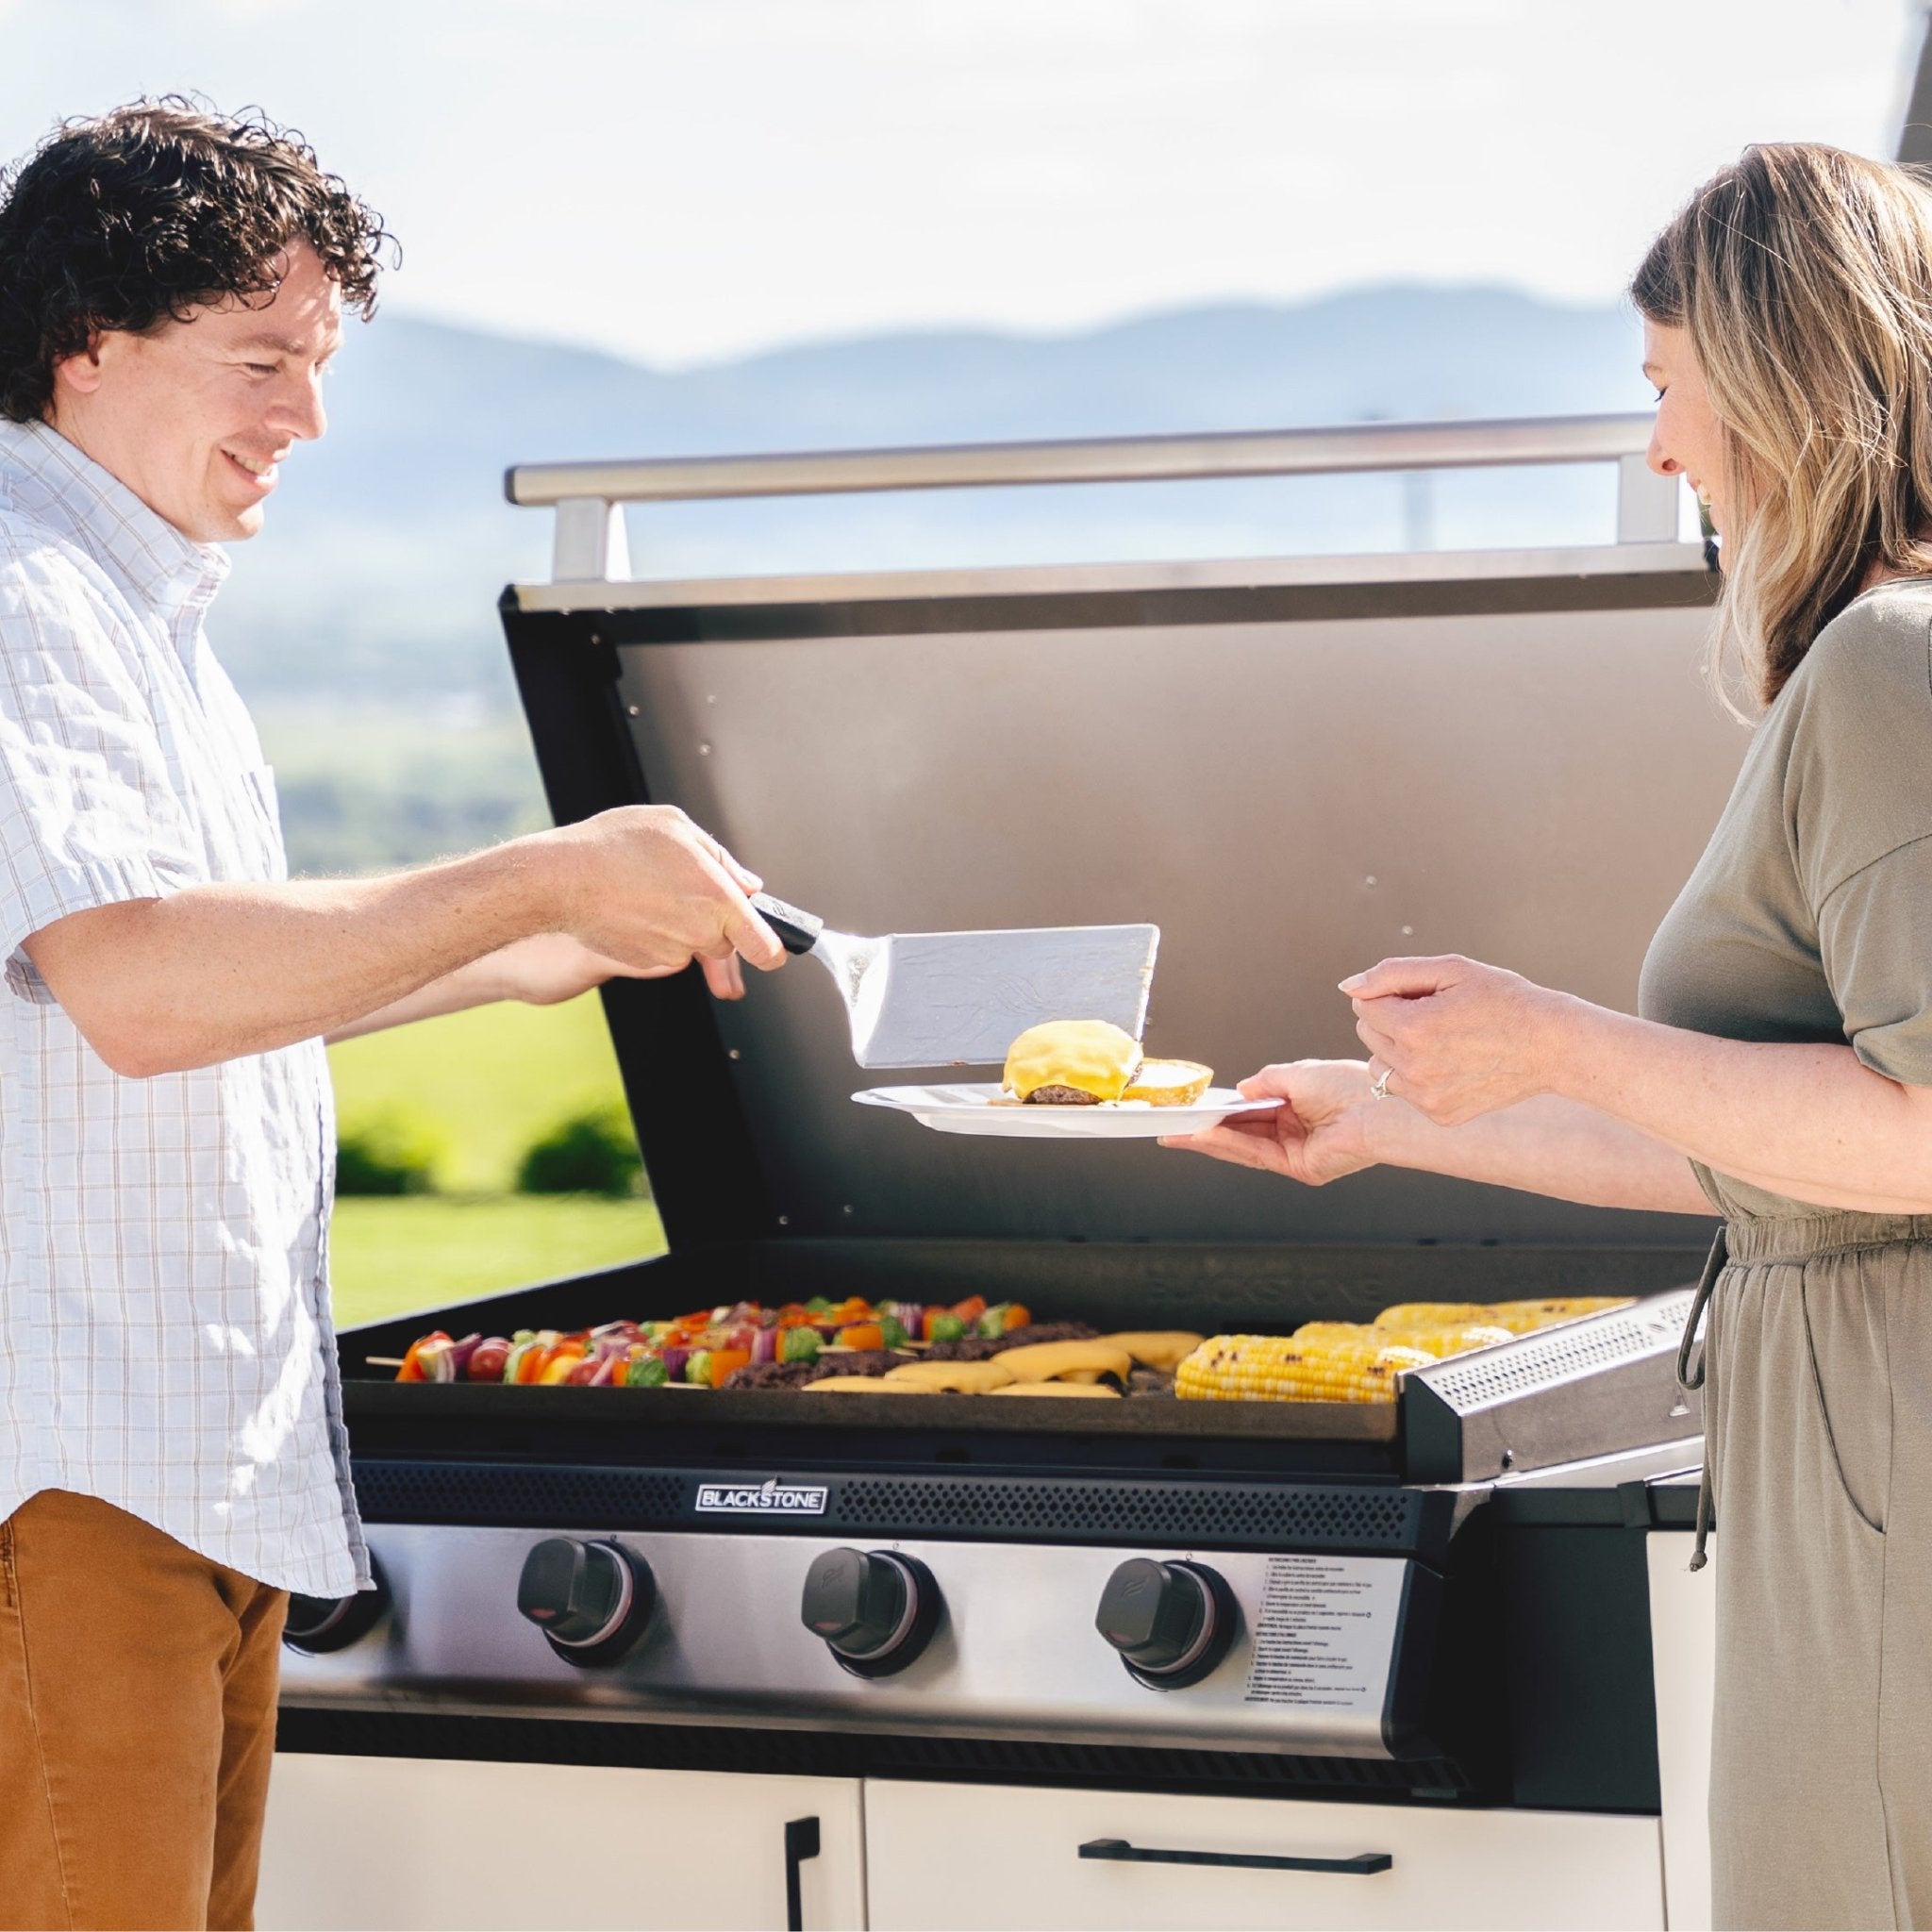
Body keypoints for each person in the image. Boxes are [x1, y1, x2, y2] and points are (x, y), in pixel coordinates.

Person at [0, 101, 785, 1930]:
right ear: (87, 345)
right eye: (259, 360)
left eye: (321, 366)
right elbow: (138, 985)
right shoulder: (25, 594)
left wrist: (540, 948)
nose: (307, 418)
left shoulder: (134, 609)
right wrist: (533, 874)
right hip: (68, 1476)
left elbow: (213, 989)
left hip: (184, 1469)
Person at [1171, 141, 1932, 1932]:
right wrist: (1396, 1117)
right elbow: (1776, 1152)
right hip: (1851, 1440)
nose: (1661, 447)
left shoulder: (1892, 666)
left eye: (1667, 384)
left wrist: (1564, 1037)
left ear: (1782, 377)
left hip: (1890, 1456)